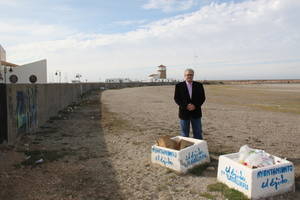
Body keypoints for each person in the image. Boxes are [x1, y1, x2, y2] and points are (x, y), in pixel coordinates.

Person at [174, 68, 206, 139]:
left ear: (193, 75)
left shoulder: (199, 85)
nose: (189, 76)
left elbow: (202, 98)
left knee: (198, 133)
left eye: (191, 75)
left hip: (196, 112)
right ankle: (185, 149)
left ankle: (198, 149)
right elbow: (177, 99)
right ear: (184, 75)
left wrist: (195, 106)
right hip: (184, 113)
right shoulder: (179, 86)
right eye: (187, 75)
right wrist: (186, 106)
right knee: (184, 134)